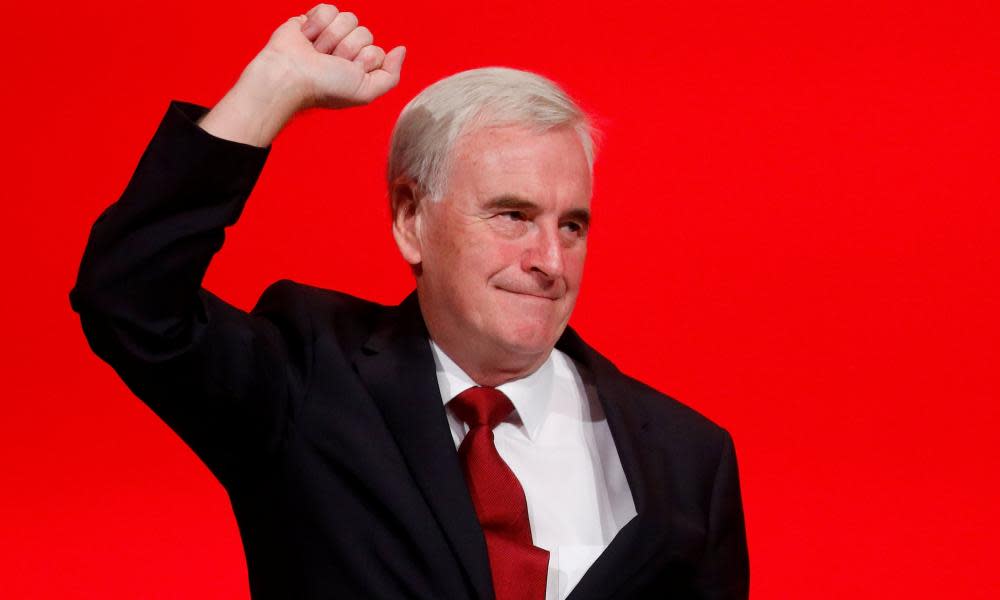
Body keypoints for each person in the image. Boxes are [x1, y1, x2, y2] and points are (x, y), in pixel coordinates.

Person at [70, 4, 749, 599]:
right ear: (410, 220)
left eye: (571, 225)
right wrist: (271, 89)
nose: (549, 260)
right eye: (512, 215)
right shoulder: (308, 380)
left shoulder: (691, 459)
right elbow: (129, 298)